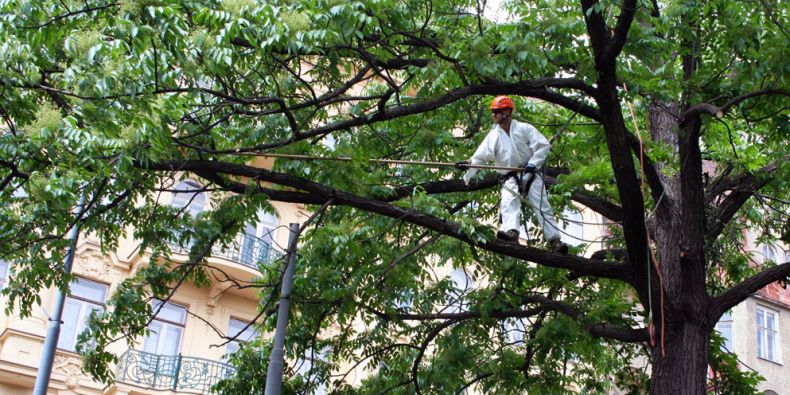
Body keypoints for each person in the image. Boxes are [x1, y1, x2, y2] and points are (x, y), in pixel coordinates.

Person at [456, 95, 568, 254]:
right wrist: (468, 163)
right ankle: (512, 233)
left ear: (507, 112)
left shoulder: (524, 128)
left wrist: (533, 164)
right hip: (509, 177)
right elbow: (480, 156)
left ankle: (555, 241)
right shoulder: (494, 135)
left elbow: (543, 145)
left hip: (530, 174)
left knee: (542, 205)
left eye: (496, 111)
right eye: (493, 112)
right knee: (508, 203)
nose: (493, 115)